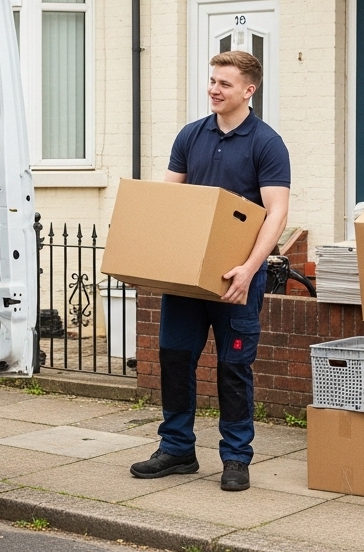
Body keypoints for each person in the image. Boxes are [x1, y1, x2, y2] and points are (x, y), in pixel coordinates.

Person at [129, 50, 290, 492]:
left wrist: (248, 270)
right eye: (212, 81)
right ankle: (177, 448)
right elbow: (170, 204)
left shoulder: (266, 143)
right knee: (175, 359)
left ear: (248, 90)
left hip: (237, 278)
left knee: (233, 365)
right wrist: (154, 257)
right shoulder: (190, 136)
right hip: (186, 277)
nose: (213, 89)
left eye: (224, 83)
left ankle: (236, 457)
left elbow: (276, 213)